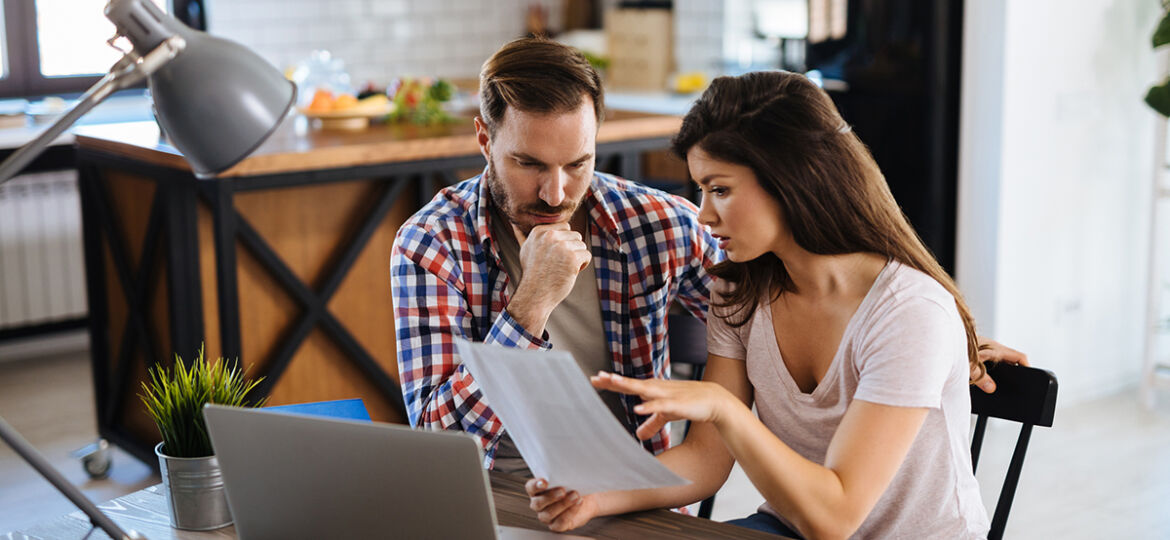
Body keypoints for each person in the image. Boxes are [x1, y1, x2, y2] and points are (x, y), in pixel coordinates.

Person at [525, 71, 1026, 539]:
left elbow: (835, 516)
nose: (703, 215)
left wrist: (725, 410)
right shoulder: (739, 293)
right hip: (789, 528)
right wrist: (594, 494)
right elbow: (704, 462)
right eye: (701, 190)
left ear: (792, 179)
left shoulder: (909, 313)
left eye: (720, 189)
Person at [389, 37, 720, 474]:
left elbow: (765, 328)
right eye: (529, 164)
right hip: (497, 499)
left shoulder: (659, 224)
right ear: (485, 140)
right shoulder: (431, 244)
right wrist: (530, 306)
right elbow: (441, 446)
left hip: (636, 497)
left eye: (577, 164)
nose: (556, 194)